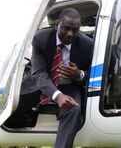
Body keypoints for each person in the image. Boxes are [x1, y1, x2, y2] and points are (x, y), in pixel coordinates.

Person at [29, 8, 93, 148]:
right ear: (57, 24)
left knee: (73, 108)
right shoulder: (41, 39)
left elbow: (93, 72)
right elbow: (39, 74)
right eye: (66, 28)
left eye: (75, 30)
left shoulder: (87, 45)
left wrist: (79, 74)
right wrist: (57, 96)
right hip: (42, 81)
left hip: (69, 85)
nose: (70, 34)